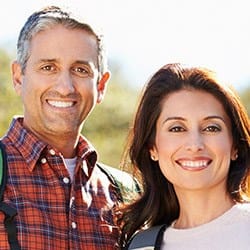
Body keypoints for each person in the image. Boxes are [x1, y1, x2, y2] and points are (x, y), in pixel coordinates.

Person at [0, 5, 137, 250]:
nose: (65, 87)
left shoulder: (127, 197)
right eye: (48, 67)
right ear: (18, 77)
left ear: (101, 86)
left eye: (80, 70)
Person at [118, 63, 250, 249]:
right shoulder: (141, 246)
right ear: (152, 148)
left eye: (211, 128)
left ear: (235, 145)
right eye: (177, 128)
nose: (195, 145)